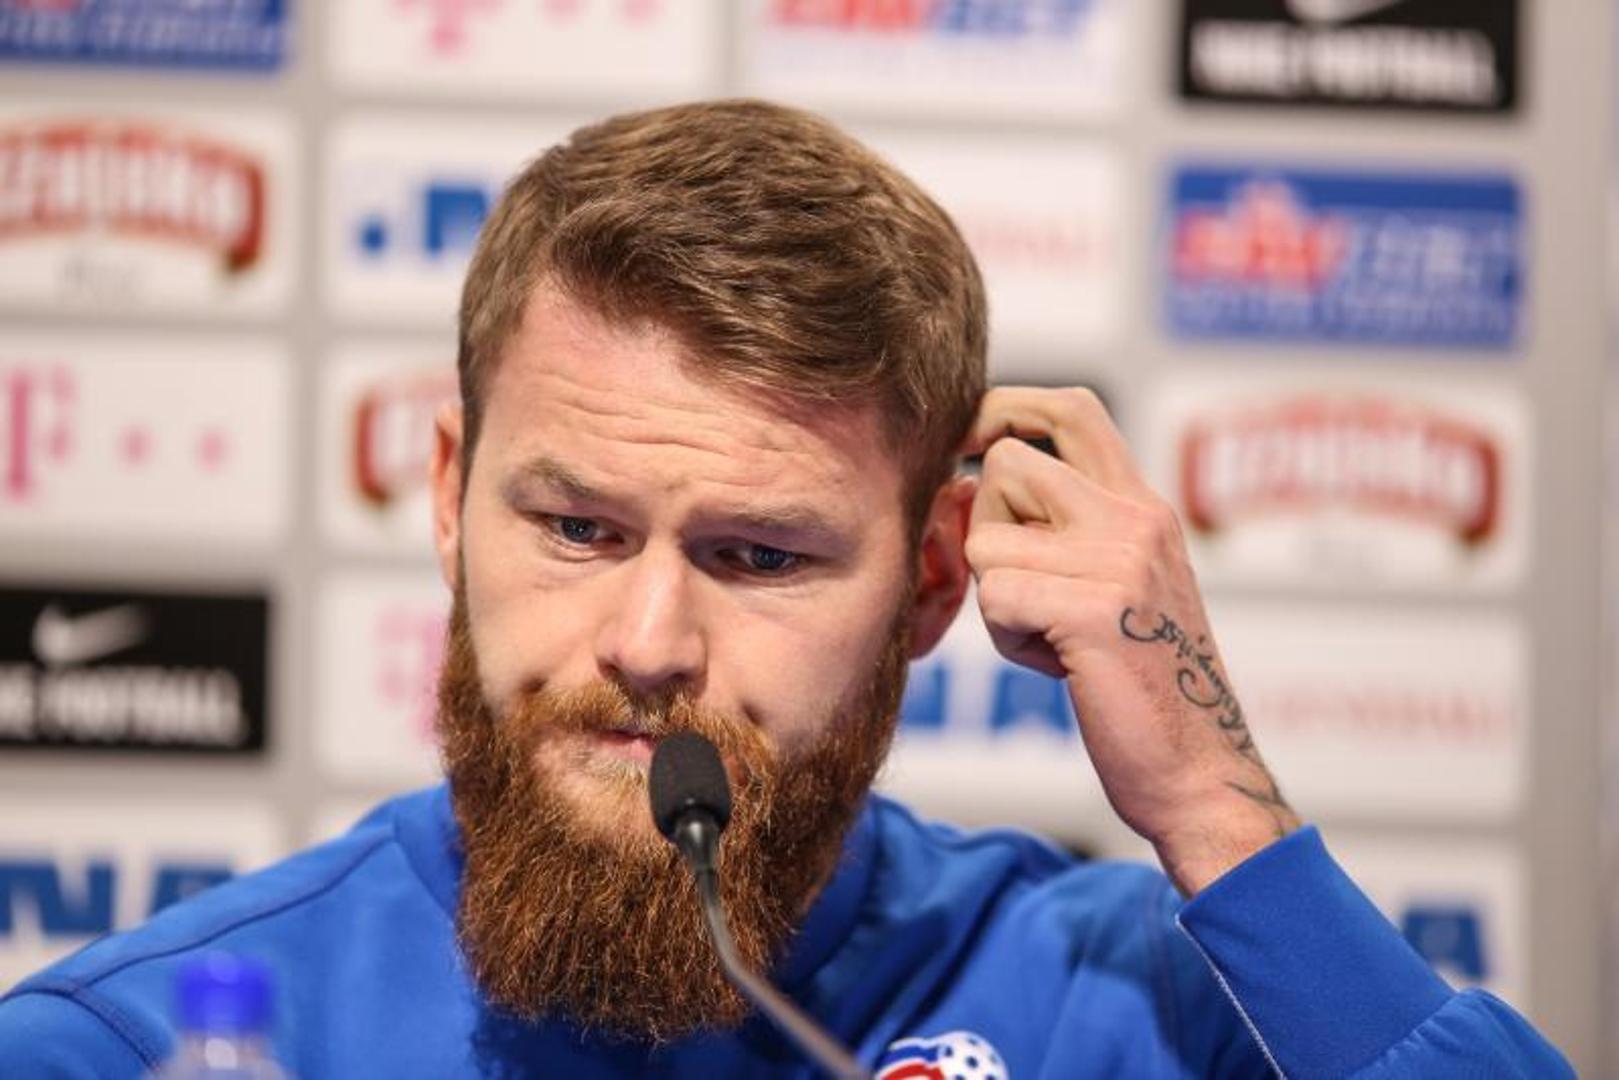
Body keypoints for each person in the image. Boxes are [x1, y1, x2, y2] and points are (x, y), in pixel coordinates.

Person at [0, 100, 1570, 1078]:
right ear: (447, 501)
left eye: (759, 556)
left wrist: (1219, 812)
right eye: (576, 528)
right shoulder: (159, 1043)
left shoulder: (1138, 1009)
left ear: (934, 576)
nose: (646, 645)